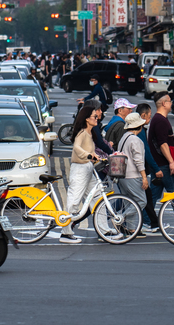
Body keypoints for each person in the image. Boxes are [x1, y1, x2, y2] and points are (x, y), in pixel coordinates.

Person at [59, 105, 101, 244]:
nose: (97, 118)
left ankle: (104, 229)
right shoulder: (82, 133)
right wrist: (88, 155)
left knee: (98, 197)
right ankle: (65, 232)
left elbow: (87, 150)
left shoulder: (90, 133)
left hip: (88, 168)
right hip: (80, 169)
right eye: (95, 116)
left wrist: (95, 156)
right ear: (87, 119)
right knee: (74, 200)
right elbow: (77, 148)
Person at [114, 112, 149, 238]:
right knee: (141, 201)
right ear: (139, 126)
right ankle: (120, 217)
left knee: (130, 201)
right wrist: (144, 177)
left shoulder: (124, 137)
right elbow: (138, 160)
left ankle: (131, 229)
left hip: (122, 175)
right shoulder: (135, 140)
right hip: (132, 175)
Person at [148, 92, 174, 208]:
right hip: (164, 164)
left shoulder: (158, 119)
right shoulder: (160, 120)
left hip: (158, 165)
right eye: (170, 101)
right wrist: (171, 162)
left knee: (154, 195)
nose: (172, 103)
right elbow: (163, 144)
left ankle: (147, 221)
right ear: (164, 103)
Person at [135, 103, 161, 232]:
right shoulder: (139, 131)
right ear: (143, 115)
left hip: (136, 172)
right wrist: (156, 169)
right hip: (137, 172)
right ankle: (149, 223)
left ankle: (152, 222)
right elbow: (146, 152)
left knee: (147, 197)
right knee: (144, 198)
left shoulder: (139, 130)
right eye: (149, 116)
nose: (150, 119)